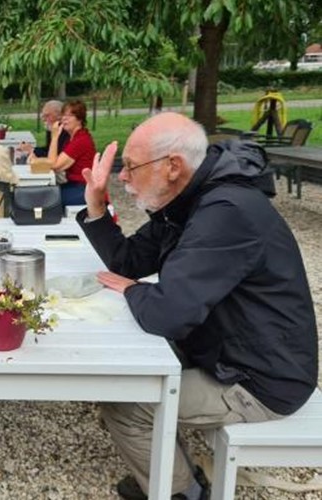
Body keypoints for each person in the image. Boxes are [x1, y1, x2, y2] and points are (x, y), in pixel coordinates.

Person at [76, 112, 318, 500]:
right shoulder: (190, 199)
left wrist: (133, 291)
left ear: (173, 166)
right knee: (135, 368)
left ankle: (182, 493)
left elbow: (167, 314)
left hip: (261, 379)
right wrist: (96, 207)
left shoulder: (226, 212)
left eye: (132, 167)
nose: (123, 177)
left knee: (127, 400)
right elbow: (129, 262)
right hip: (230, 349)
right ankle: (171, 473)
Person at [48, 99, 97, 207]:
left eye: (69, 116)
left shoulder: (80, 140)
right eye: (63, 115)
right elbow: (53, 162)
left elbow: (53, 165)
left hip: (84, 188)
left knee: (48, 198)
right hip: (74, 185)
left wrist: (55, 137)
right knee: (46, 192)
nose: (64, 119)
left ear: (79, 119)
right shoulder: (72, 138)